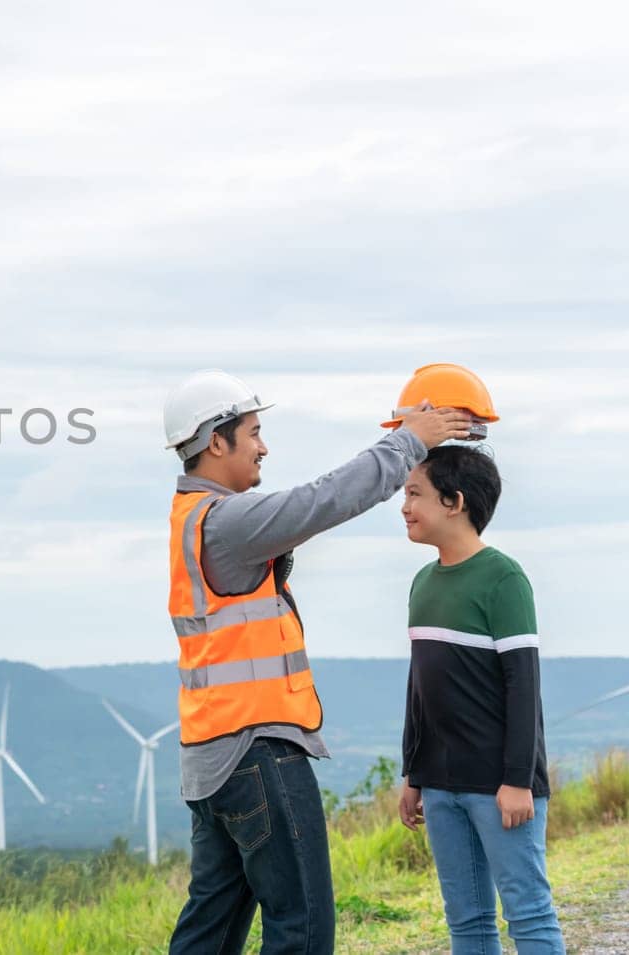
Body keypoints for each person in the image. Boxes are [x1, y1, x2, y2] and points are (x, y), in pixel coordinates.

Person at [162, 370, 473, 954]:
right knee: (301, 925)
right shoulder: (227, 523)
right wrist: (410, 440)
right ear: (214, 442)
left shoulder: (193, 520)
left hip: (212, 758)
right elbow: (324, 500)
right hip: (257, 750)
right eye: (253, 432)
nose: (263, 445)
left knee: (211, 925)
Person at [397, 445, 564, 953]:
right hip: (440, 785)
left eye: (414, 493)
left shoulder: (503, 578)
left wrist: (517, 780)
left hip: (499, 786)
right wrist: (412, 773)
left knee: (528, 913)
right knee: (466, 922)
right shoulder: (423, 582)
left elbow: (523, 685)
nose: (404, 506)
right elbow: (419, 687)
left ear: (455, 502)